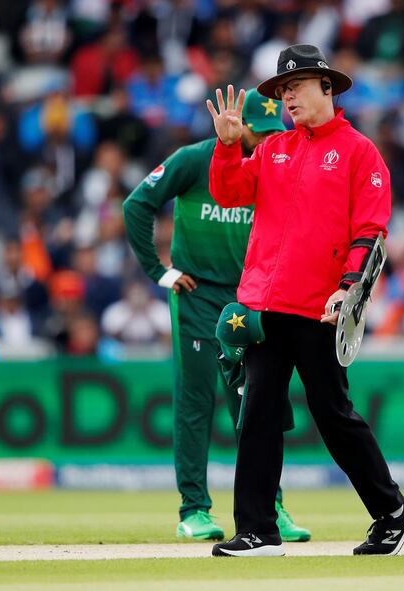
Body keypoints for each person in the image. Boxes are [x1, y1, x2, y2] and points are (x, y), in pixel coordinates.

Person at [205, 44, 404, 557]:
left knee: (333, 415)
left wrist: (348, 291)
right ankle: (258, 530)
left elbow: (371, 231)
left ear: (327, 87)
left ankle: (394, 511)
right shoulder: (275, 148)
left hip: (321, 306)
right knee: (256, 411)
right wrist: (228, 146)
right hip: (265, 305)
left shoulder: (358, 152)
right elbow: (230, 193)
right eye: (282, 91)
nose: (287, 98)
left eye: (295, 86)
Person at [123, 89, 311, 542]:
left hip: (249, 297)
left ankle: (272, 508)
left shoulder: (276, 163)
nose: (266, 142)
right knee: (195, 401)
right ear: (238, 126)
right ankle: (193, 510)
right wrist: (158, 271)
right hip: (197, 292)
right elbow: (136, 204)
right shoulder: (194, 159)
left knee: (256, 402)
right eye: (258, 133)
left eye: (273, 134)